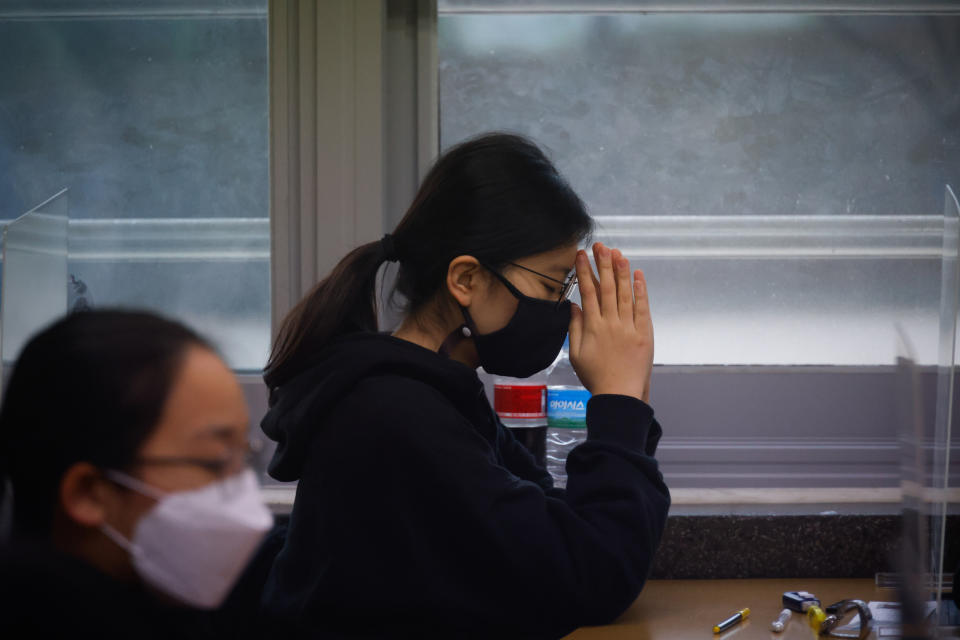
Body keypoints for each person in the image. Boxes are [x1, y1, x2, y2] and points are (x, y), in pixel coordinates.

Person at [259, 133, 670, 638]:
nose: (564, 312)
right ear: (467, 280)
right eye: (549, 285)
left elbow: (560, 533)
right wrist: (620, 402)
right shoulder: (396, 415)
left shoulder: (438, 395)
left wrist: (626, 400)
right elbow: (593, 576)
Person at [0, 310, 273, 638]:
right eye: (213, 462)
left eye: (244, 457)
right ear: (89, 492)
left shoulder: (167, 611)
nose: (243, 493)